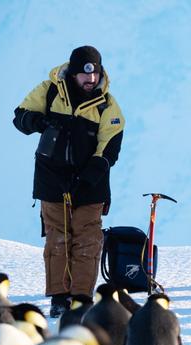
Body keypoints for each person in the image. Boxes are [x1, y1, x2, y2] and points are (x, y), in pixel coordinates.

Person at [13, 46, 125, 317]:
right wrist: (38, 120)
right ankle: (59, 297)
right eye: (85, 74)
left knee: (87, 240)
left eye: (95, 73)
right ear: (73, 74)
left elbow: (109, 147)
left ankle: (81, 299)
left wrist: (89, 177)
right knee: (57, 240)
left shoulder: (107, 105)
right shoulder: (50, 91)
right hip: (51, 181)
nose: (91, 79)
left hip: (89, 185)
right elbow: (20, 117)